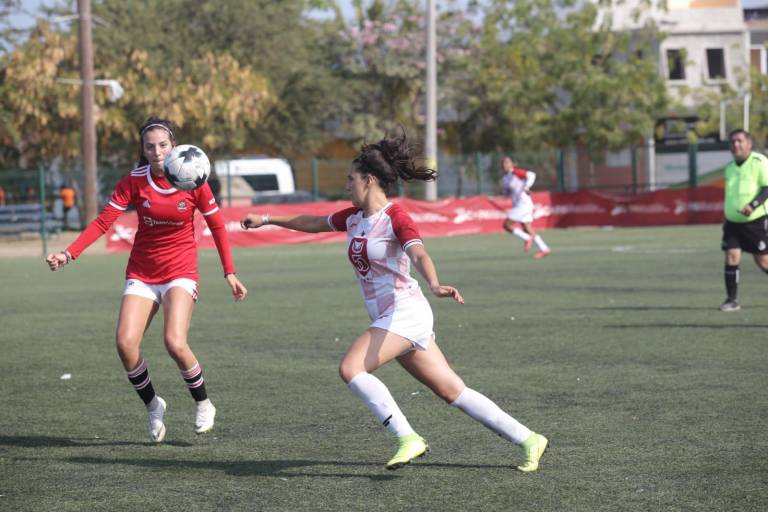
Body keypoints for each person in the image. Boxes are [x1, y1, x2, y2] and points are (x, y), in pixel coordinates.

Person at [241, 132, 548, 472]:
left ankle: (408, 438)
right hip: (392, 317)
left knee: (351, 369)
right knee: (452, 390)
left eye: (351, 178)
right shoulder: (354, 217)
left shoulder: (395, 217)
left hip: (406, 311)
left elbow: (418, 253)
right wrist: (267, 219)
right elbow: (313, 223)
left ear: (369, 180)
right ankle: (529, 438)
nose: (346, 184)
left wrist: (434, 283)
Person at [46, 117, 248, 442]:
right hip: (142, 271)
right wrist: (69, 254)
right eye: (150, 146)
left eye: (163, 145)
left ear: (174, 146)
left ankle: (203, 403)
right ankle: (154, 406)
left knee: (174, 342)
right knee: (125, 344)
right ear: (143, 149)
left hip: (180, 270)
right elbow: (103, 222)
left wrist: (229, 272)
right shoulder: (135, 181)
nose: (157, 152)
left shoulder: (194, 178)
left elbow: (217, 226)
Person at [719, 128, 768, 312]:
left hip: (755, 221)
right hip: (733, 223)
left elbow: (767, 188)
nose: (736, 144)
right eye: (732, 141)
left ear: (749, 144)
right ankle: (731, 300)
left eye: (739, 141)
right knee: (731, 256)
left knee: (763, 261)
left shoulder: (760, 161)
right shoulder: (729, 168)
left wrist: (752, 205)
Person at [500, 156, 550, 259]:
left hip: (523, 204)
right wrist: (505, 193)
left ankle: (527, 238)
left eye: (507, 162)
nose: (504, 165)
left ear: (512, 164)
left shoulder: (515, 172)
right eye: (503, 163)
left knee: (507, 225)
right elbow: (507, 192)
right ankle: (544, 249)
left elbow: (531, 175)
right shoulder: (505, 178)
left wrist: (527, 186)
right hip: (519, 204)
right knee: (527, 228)